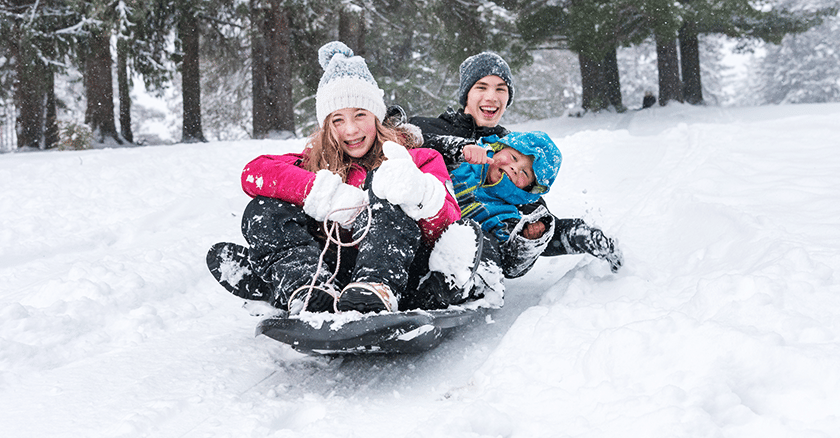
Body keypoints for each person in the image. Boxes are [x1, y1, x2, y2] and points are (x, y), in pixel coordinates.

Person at [206, 41, 460, 315]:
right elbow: (253, 173)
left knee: (384, 197)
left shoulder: (418, 158)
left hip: (398, 270)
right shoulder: (313, 161)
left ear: (376, 117)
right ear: (326, 126)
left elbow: (450, 225)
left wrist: (420, 194)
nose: (350, 130)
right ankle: (305, 287)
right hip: (333, 271)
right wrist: (324, 193)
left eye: (360, 115)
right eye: (337, 120)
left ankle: (374, 288)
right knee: (264, 209)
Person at [404, 51, 622, 308]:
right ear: (466, 94)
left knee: (481, 240)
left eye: (501, 89)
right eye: (481, 87)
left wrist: (575, 235)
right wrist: (458, 149)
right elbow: (394, 142)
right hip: (414, 234)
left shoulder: (514, 150)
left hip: (465, 254)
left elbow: (536, 220)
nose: (491, 96)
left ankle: (458, 289)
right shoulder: (430, 129)